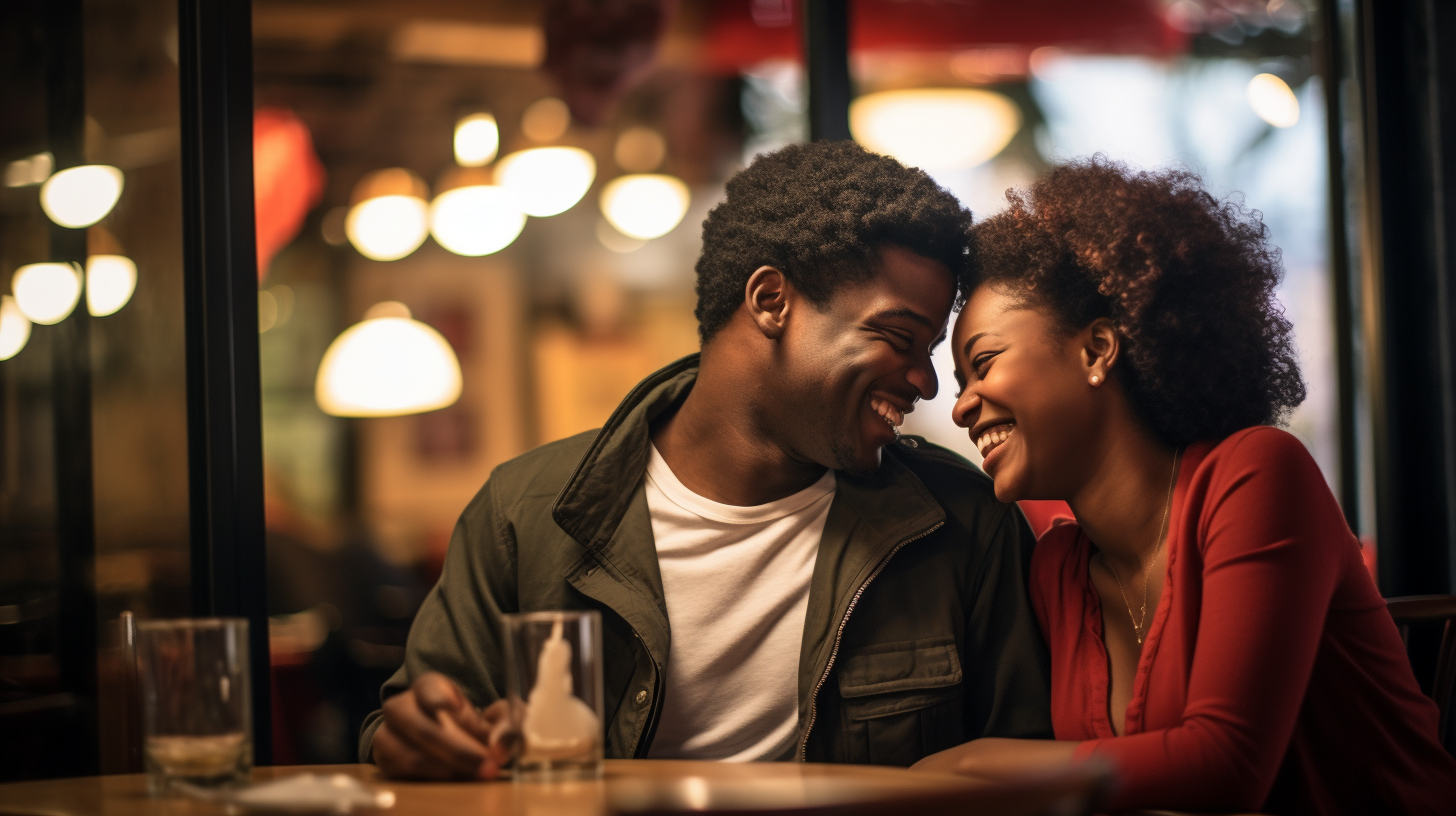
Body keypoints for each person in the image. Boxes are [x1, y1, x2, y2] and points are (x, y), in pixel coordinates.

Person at [360, 141, 1053, 779]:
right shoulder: (526, 517)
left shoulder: (960, 525)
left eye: (928, 351)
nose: (925, 383)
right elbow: (404, 732)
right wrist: (414, 739)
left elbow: (1023, 773)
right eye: (898, 338)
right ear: (771, 300)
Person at [918, 157, 1456, 814]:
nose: (962, 406)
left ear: (1096, 351)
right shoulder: (1058, 571)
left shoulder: (1256, 478)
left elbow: (1226, 767)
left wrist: (974, 763)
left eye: (984, 364)